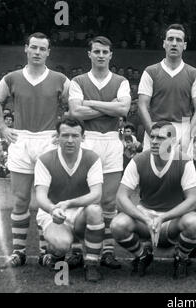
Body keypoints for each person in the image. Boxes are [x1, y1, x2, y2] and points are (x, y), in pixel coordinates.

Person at [0, 32, 70, 267]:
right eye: (33, 47)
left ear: (48, 52)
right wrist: (3, 127)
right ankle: (19, 251)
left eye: (42, 48)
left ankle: (46, 250)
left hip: (48, 141)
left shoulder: (60, 79)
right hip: (21, 140)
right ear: (26, 49)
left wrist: (62, 130)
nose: (37, 52)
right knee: (21, 198)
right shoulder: (12, 78)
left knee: (49, 199)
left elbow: (73, 105)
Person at [69, 36, 131, 269]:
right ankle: (76, 250)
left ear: (111, 55)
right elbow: (75, 112)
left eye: (105, 52)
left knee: (108, 200)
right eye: (97, 51)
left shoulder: (121, 80)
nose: (101, 55)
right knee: (81, 196)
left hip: (112, 142)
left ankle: (106, 251)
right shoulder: (78, 80)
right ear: (90, 54)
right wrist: (110, 108)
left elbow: (124, 109)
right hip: (87, 141)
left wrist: (91, 103)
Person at [111, 121, 196, 279]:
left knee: (194, 223)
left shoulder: (184, 161)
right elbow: (120, 197)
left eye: (160, 138)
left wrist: (163, 218)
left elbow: (193, 200)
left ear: (173, 141)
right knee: (117, 225)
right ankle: (143, 255)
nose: (154, 141)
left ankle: (181, 258)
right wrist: (145, 218)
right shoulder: (139, 160)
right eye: (152, 137)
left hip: (172, 219)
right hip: (146, 217)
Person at [35, 118, 104, 282]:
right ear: (57, 137)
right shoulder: (44, 160)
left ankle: (92, 264)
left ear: (83, 137)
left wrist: (69, 203)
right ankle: (54, 253)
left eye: (75, 135)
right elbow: (40, 196)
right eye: (65, 135)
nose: (70, 140)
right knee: (61, 245)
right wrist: (53, 209)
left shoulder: (92, 158)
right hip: (54, 211)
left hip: (79, 211)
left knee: (95, 210)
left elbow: (97, 195)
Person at [137, 24, 196, 153]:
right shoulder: (150, 71)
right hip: (155, 127)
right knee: (152, 172)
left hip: (183, 129)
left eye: (178, 40)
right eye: (170, 39)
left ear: (184, 45)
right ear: (164, 43)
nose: (174, 43)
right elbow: (142, 105)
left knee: (181, 172)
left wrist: (188, 137)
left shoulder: (194, 73)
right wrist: (153, 132)